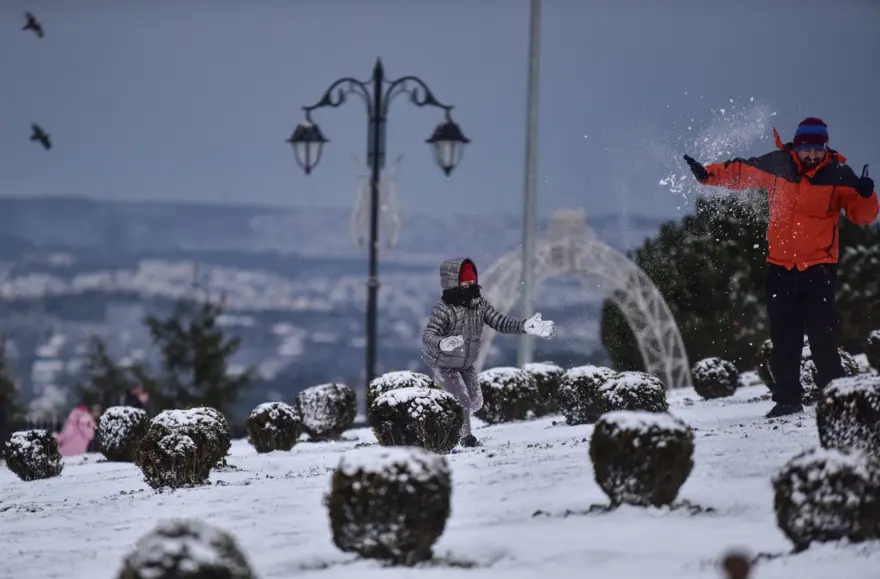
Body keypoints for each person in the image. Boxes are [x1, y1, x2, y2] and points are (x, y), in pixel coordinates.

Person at [683, 117, 878, 417]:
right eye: (807, 149)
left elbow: (862, 216)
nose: (812, 155)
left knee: (823, 336)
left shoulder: (838, 175)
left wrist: (866, 194)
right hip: (781, 269)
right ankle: (787, 399)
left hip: (819, 269)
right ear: (796, 147)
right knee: (784, 337)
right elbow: (741, 171)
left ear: (825, 147)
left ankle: (838, 398)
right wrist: (708, 175)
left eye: (818, 149)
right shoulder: (778, 165)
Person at [422, 257, 557, 447]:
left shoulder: (480, 305)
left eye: (473, 282)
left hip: (466, 364)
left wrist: (525, 327)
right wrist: (442, 343)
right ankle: (465, 438)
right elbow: (428, 335)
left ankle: (442, 416)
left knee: (476, 402)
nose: (471, 286)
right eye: (466, 282)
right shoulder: (444, 309)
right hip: (446, 366)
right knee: (463, 401)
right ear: (454, 284)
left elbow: (500, 322)